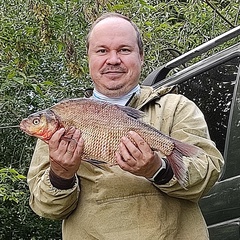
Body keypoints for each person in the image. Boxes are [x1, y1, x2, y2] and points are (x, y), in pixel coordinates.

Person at [27, 12, 224, 239]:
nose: (113, 60)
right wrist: (61, 174)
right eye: (102, 51)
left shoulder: (176, 108)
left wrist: (157, 169)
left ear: (140, 56)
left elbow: (207, 176)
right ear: (88, 58)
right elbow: (46, 208)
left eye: (124, 50)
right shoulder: (65, 116)